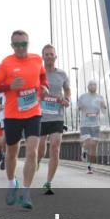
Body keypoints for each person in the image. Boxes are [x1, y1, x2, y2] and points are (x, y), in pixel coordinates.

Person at [0, 30, 49, 210]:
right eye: (17, 45)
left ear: (28, 44)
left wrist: (44, 87)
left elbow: (42, 76)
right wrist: (9, 86)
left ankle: (26, 191)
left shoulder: (37, 59)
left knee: (32, 152)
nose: (21, 48)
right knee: (11, 153)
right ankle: (11, 184)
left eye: (24, 44)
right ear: (12, 46)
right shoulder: (6, 63)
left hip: (33, 113)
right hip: (12, 114)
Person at [36, 44, 70, 195]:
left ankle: (48, 182)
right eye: (46, 54)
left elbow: (67, 90)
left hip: (57, 115)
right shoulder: (38, 73)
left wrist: (67, 99)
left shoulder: (62, 74)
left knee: (55, 147)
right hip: (40, 116)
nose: (49, 56)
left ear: (55, 56)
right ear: (43, 57)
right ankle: (37, 161)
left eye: (51, 54)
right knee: (40, 148)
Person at [77, 80, 107, 174]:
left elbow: (104, 112)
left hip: (96, 125)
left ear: (97, 86)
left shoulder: (100, 97)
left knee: (94, 146)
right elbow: (78, 108)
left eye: (95, 85)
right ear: (88, 86)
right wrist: (80, 107)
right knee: (89, 142)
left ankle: (90, 167)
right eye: (91, 85)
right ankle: (84, 149)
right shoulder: (83, 97)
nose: (93, 86)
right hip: (85, 125)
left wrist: (104, 107)